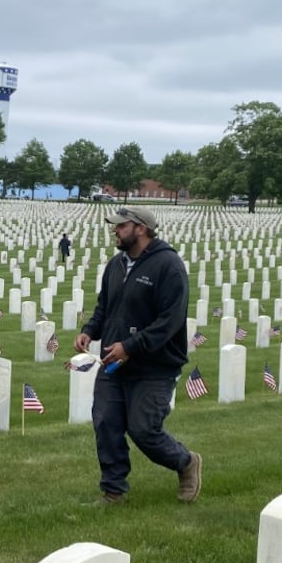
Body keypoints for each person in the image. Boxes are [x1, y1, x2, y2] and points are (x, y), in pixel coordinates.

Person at [75, 207, 201, 505]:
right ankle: (114, 490)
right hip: (114, 362)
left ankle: (185, 462)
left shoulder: (168, 266)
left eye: (121, 226)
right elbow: (106, 306)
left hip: (155, 365)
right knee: (106, 421)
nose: (115, 231)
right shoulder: (116, 265)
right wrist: (89, 330)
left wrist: (131, 346)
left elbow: (170, 321)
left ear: (141, 229)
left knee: (143, 429)